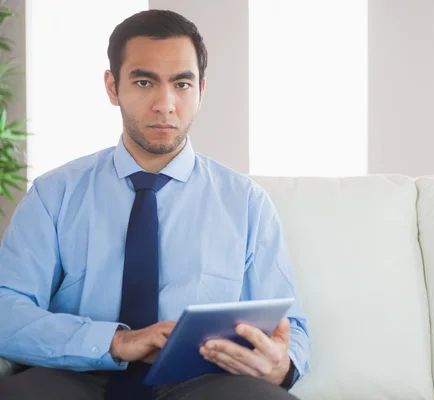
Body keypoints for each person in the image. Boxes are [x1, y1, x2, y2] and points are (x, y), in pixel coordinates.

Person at [0, 9, 310, 400]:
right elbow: (5, 312)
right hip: (77, 373)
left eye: (181, 84)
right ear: (112, 87)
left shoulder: (246, 203)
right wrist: (115, 341)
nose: (165, 104)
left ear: (201, 90)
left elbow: (291, 327)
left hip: (203, 381)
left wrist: (282, 364)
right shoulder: (53, 194)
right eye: (144, 81)